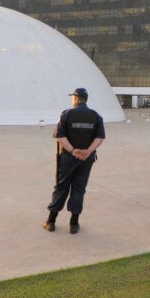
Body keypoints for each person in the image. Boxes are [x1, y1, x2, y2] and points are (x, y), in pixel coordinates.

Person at [44, 87, 105, 234]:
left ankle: (51, 221)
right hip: (86, 159)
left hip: (68, 158)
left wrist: (72, 150)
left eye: (73, 97)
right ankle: (74, 224)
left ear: (76, 98)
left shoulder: (66, 114)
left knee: (61, 187)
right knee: (79, 188)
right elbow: (100, 137)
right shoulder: (96, 116)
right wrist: (88, 151)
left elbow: (59, 135)